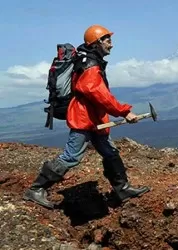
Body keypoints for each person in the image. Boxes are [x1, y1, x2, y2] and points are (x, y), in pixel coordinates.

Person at [23, 24, 150, 209]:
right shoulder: (90, 65)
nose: (111, 45)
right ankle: (36, 189)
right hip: (84, 119)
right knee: (70, 157)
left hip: (95, 119)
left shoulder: (89, 61)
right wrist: (124, 111)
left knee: (110, 152)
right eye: (108, 41)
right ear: (97, 42)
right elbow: (99, 94)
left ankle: (122, 188)